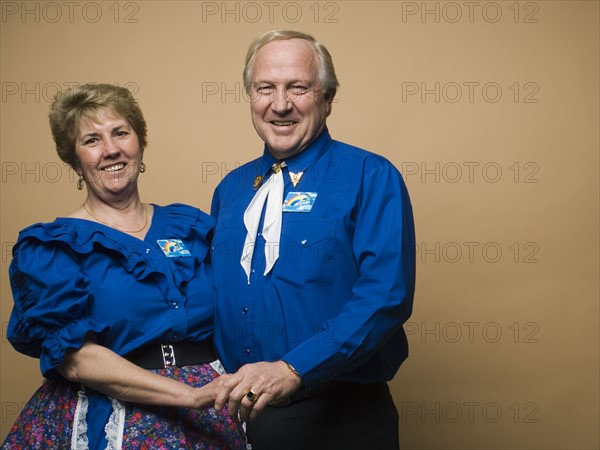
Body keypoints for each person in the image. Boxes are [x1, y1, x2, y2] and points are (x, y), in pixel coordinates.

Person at [2, 83, 246, 449]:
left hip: (213, 410)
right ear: (73, 159)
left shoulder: (191, 226)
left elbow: (242, 307)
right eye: (91, 140)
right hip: (113, 415)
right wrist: (192, 396)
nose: (111, 149)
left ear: (140, 143)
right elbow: (77, 361)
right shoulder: (52, 248)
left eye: (120, 133)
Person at [210, 30, 416, 449]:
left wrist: (292, 368)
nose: (280, 104)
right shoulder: (230, 190)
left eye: (297, 87)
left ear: (328, 96)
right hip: (239, 419)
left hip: (341, 420)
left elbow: (385, 297)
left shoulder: (370, 177)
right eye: (264, 88)